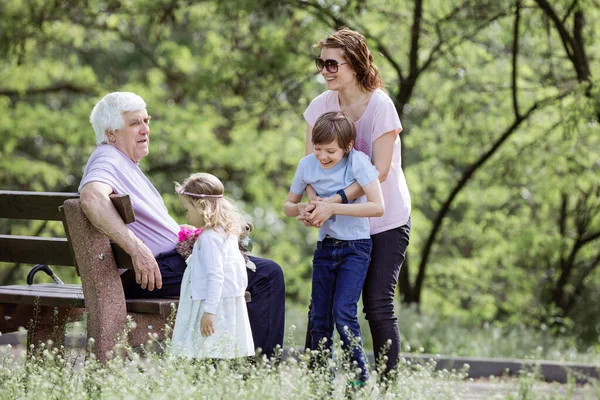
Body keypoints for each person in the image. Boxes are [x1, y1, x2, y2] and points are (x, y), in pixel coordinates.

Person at [78, 91, 285, 358]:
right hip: (155, 272)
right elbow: (91, 197)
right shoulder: (107, 159)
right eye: (134, 123)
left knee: (248, 262)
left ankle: (236, 367)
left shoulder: (121, 162)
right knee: (267, 276)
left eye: (146, 121)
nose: (145, 130)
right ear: (111, 134)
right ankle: (257, 373)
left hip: (169, 265)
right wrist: (137, 249)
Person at [301, 28, 411, 374]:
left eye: (333, 63)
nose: (325, 70)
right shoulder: (320, 106)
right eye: (321, 63)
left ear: (356, 64)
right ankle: (317, 384)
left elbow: (378, 171)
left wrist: (333, 201)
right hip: (339, 224)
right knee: (321, 306)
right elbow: (310, 168)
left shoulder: (380, 107)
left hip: (384, 221)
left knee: (377, 304)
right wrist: (314, 204)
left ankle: (387, 386)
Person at [284, 111, 384, 386]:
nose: (323, 157)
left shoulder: (358, 163)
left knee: (343, 312)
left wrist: (331, 208)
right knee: (319, 316)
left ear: (347, 146)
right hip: (326, 248)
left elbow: (378, 206)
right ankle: (320, 381)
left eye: (330, 151)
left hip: (356, 248)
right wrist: (303, 209)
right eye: (318, 149)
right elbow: (288, 206)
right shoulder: (307, 165)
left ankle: (359, 379)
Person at [170, 172, 254, 359]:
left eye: (187, 210)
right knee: (220, 348)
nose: (187, 215)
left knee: (206, 346)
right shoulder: (225, 231)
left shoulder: (209, 238)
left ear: (201, 207)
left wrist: (209, 311)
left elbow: (216, 275)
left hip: (211, 302)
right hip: (223, 299)